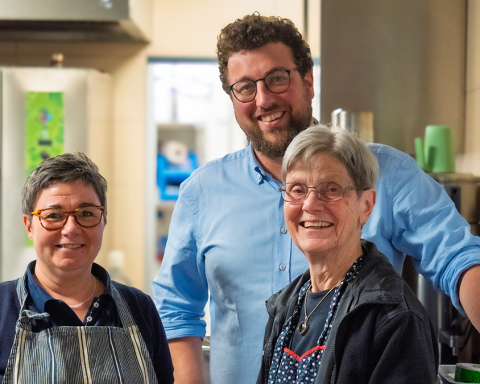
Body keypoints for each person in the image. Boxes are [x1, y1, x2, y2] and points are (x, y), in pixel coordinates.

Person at [153, 14, 480, 384]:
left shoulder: (384, 172)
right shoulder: (202, 191)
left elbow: (460, 258)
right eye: (244, 87)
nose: (263, 99)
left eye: (277, 78)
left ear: (308, 80)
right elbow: (176, 308)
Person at [257, 124, 438, 384]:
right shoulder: (284, 306)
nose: (309, 204)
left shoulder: (397, 320)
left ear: (366, 206)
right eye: (297, 190)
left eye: (331, 189)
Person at [0, 153, 174, 384]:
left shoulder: (140, 308)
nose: (71, 229)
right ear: (29, 226)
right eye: (53, 215)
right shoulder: (3, 307)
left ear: (103, 222)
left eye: (86, 213)